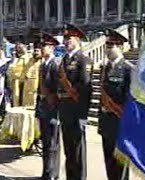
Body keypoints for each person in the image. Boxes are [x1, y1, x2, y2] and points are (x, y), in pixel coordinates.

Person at [58, 23, 92, 180]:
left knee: (78, 150)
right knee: (68, 150)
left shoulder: (83, 59)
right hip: (65, 111)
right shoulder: (64, 59)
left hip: (77, 111)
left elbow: (85, 87)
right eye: (65, 38)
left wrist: (82, 115)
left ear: (77, 39)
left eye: (69, 38)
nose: (66, 42)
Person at [98, 28, 133, 180]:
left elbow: (131, 100)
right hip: (106, 122)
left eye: (111, 45)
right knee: (109, 162)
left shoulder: (128, 69)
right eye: (107, 45)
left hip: (120, 123)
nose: (108, 49)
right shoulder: (105, 69)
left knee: (121, 165)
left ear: (120, 47)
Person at [35, 32, 61, 180]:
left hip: (52, 109)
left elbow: (57, 90)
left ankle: (53, 174)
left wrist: (56, 111)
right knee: (45, 143)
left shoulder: (55, 65)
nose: (42, 48)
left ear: (52, 48)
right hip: (43, 108)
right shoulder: (42, 65)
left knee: (53, 144)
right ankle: (46, 172)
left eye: (45, 46)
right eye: (42, 45)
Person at [7, 42, 33, 107]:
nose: (16, 50)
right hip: (16, 83)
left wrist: (14, 74)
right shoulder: (18, 58)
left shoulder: (26, 58)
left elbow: (25, 71)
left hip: (22, 83)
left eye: (18, 48)